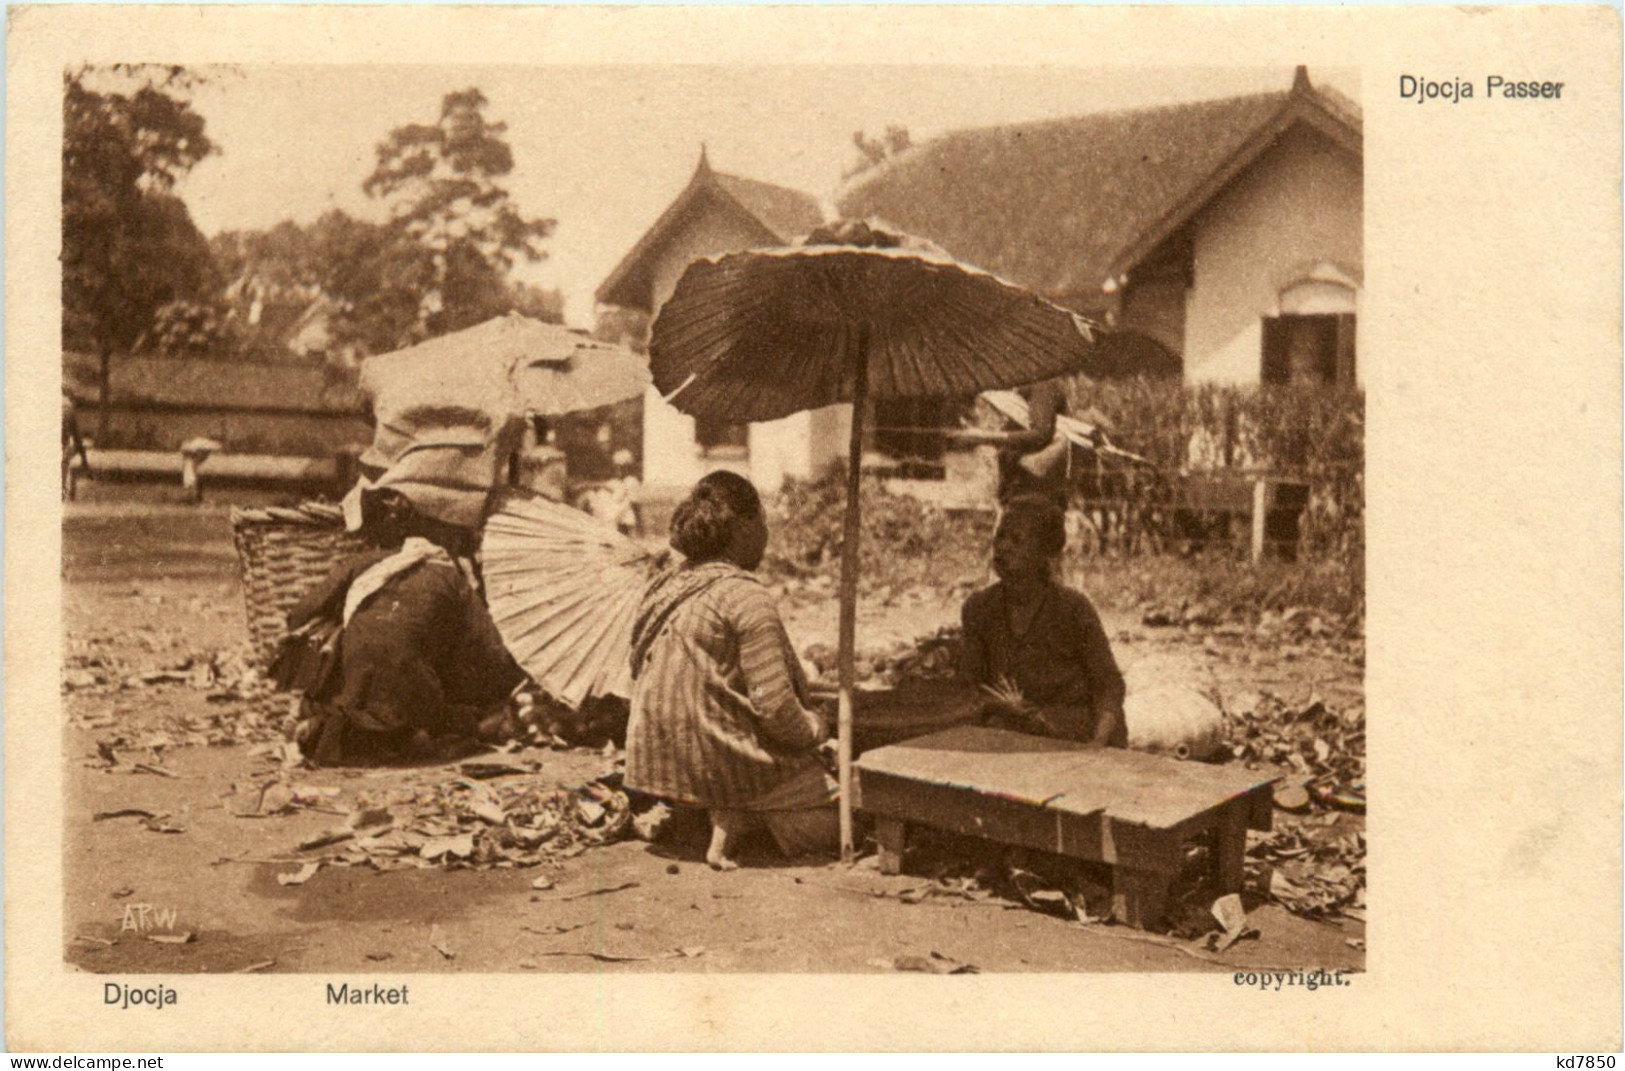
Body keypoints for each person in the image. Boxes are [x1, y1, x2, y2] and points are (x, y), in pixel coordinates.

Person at [625, 471, 836, 869]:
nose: (766, 533)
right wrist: (815, 727)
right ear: (742, 528)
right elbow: (774, 706)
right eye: (763, 521)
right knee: (853, 812)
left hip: (662, 767)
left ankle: (701, 812)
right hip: (717, 759)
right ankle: (740, 814)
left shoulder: (668, 584)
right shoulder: (744, 595)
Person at [287, 489, 525, 766]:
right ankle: (407, 732)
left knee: (358, 684)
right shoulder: (449, 575)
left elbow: (300, 614)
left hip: (356, 678)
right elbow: (488, 649)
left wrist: (341, 620)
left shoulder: (360, 564)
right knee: (446, 711)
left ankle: (331, 723)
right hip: (415, 691)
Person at [959, 495, 1127, 747]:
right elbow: (969, 686)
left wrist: (1098, 744)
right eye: (1000, 536)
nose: (1002, 547)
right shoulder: (980, 609)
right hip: (1017, 730)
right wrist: (998, 705)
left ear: (1044, 554)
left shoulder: (1073, 609)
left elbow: (1109, 685)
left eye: (1017, 540)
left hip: (1077, 733)